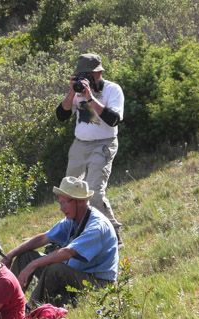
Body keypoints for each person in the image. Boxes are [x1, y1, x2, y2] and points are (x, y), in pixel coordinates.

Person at [2, 176, 119, 308]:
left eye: (64, 203)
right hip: (75, 277)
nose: (61, 208)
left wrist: (33, 266)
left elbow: (67, 252)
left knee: (55, 269)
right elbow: (43, 238)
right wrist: (10, 255)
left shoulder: (97, 226)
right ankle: (7, 306)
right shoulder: (72, 220)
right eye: (60, 203)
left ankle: (30, 311)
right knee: (26, 257)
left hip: (98, 284)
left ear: (79, 201)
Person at [57, 52, 125, 243]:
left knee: (94, 192)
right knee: (68, 192)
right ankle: (75, 232)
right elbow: (61, 116)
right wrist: (72, 92)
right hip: (79, 145)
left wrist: (90, 98)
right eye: (82, 76)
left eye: (88, 75)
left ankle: (112, 233)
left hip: (104, 144)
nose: (85, 80)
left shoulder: (112, 90)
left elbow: (113, 120)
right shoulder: (77, 92)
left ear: (98, 73)